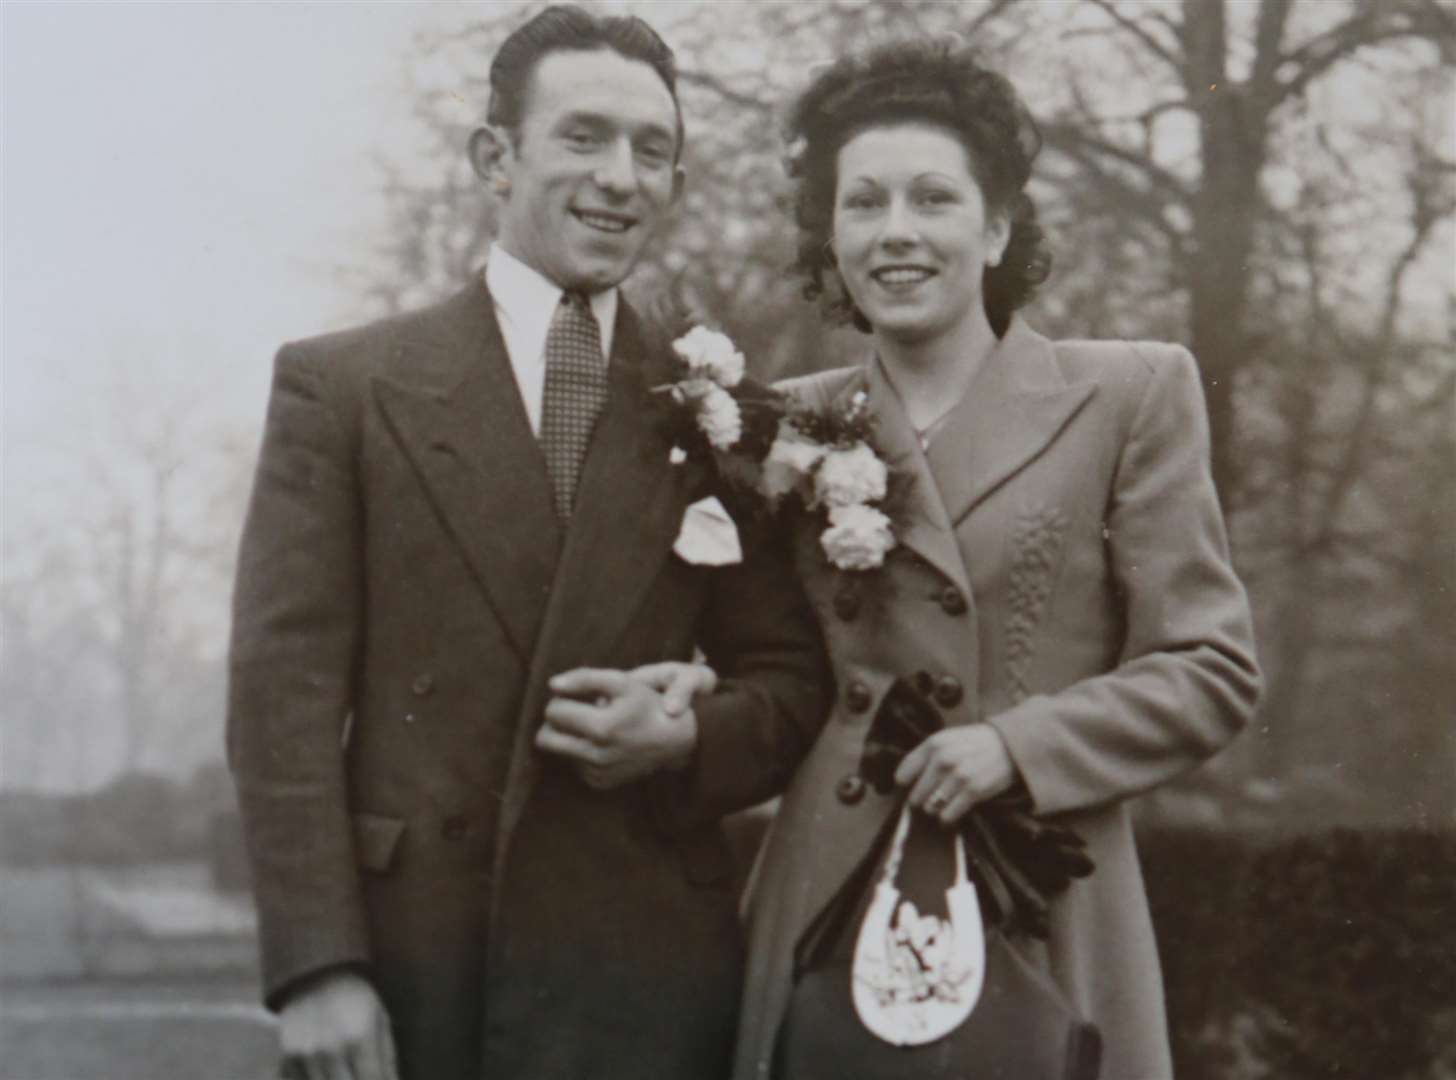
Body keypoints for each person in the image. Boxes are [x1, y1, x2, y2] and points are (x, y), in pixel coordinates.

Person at [226, 7, 827, 1080]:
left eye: (654, 151)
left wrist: (688, 736)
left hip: (647, 983)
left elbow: (790, 681)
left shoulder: (723, 408)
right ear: (495, 159)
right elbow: (284, 696)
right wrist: (318, 967)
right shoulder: (346, 388)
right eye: (583, 136)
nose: (621, 176)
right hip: (417, 974)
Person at [724, 39, 1263, 1080]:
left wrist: (1018, 746)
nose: (896, 234)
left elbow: (1210, 668)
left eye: (933, 199)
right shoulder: (787, 422)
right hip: (827, 894)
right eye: (862, 204)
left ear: (999, 225)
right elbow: (764, 670)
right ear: (828, 236)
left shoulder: (1126, 394)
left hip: (1040, 883)